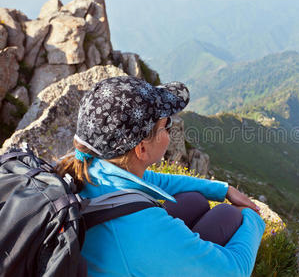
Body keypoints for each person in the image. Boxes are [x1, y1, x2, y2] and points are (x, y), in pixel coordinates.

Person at [56, 76, 266, 277]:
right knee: (229, 216)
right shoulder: (139, 229)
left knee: (194, 200)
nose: (170, 132)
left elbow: (158, 181)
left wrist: (222, 189)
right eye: (166, 126)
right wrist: (253, 218)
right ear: (141, 149)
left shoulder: (89, 166)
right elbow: (233, 272)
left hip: (116, 256)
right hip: (135, 245)